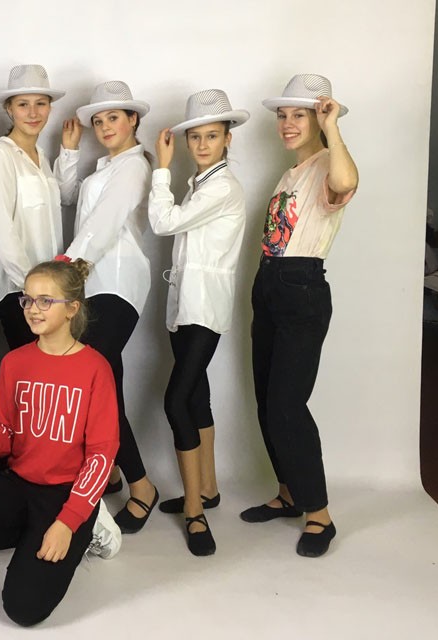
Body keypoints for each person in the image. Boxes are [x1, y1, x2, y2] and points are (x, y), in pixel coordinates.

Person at [0, 258, 120, 627]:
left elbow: (101, 456)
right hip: (20, 483)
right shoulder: (15, 362)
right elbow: (7, 432)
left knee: (24, 609)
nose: (33, 309)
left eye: (45, 301)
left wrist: (67, 522)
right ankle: (31, 533)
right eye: (27, 299)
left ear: (72, 308)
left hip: (67, 493)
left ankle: (91, 523)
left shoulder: (95, 368)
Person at [243, 74, 358, 558]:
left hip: (301, 288)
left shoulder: (330, 163)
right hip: (270, 283)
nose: (288, 123)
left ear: (320, 118)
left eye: (300, 115)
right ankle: (289, 492)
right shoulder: (292, 172)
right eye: (283, 115)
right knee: (268, 401)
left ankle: (320, 514)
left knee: (288, 405)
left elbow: (347, 183)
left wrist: (333, 129)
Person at [54, 80, 159, 533]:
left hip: (115, 284)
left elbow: (105, 221)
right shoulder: (104, 167)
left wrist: (65, 271)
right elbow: (66, 197)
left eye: (113, 117)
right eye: (98, 121)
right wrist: (69, 152)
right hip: (91, 287)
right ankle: (111, 472)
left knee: (98, 389)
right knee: (104, 388)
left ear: (133, 119)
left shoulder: (134, 166)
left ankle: (142, 486)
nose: (104, 127)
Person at [148, 89, 249, 556]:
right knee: (196, 395)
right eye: (196, 137)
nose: (203, 144)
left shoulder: (221, 187)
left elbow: (164, 222)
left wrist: (161, 168)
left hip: (203, 309)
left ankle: (194, 510)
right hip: (186, 306)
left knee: (176, 401)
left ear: (228, 139)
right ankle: (207, 488)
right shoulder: (202, 183)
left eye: (212, 136)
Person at [0, 64, 65, 351]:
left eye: (40, 103)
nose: (32, 113)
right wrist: (33, 292)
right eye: (23, 104)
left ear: (50, 108)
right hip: (20, 293)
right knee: (30, 371)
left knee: (51, 373)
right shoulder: (0, 154)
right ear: (9, 109)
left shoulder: (42, 158)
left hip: (51, 293)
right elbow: (1, 228)